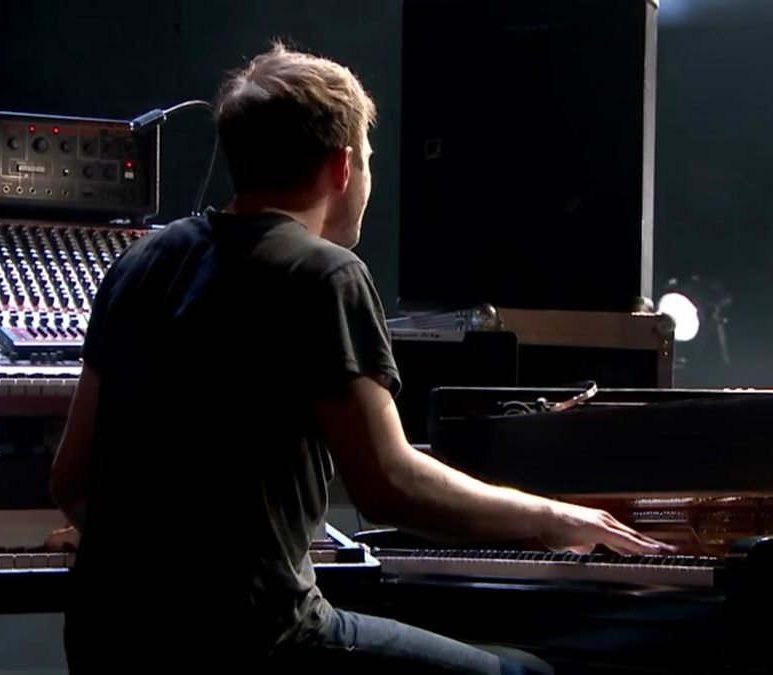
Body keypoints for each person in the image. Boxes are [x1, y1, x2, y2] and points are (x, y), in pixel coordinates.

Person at [49, 41, 671, 674]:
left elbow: (69, 479)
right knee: (526, 673)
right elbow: (390, 488)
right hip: (257, 643)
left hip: (107, 638)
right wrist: (551, 516)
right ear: (342, 167)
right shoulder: (324, 274)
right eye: (368, 159)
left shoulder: (142, 262)